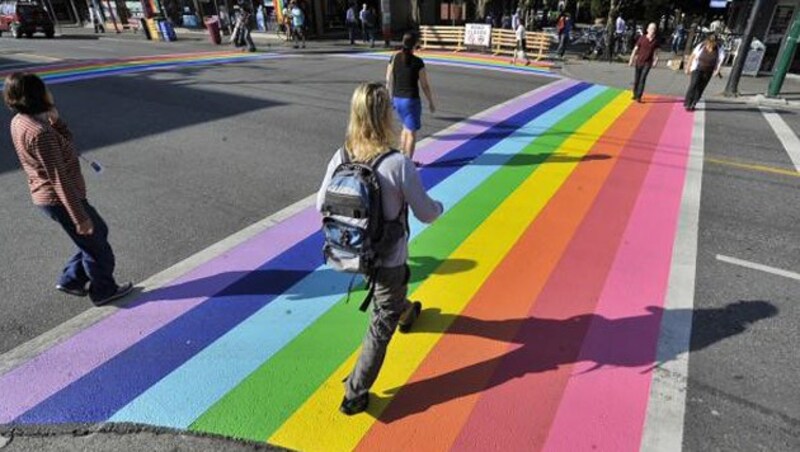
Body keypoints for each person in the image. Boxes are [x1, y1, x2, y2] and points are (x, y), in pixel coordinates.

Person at [317, 82, 444, 416]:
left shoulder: (341, 156)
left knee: (394, 294)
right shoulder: (397, 163)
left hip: (351, 252)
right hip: (387, 257)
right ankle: (354, 394)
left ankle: (407, 311)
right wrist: (440, 207)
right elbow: (426, 214)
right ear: (385, 115)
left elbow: (321, 204)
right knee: (381, 321)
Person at [4, 73, 132, 306]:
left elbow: (66, 144)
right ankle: (104, 290)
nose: (49, 92)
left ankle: (71, 279)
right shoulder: (39, 133)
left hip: (48, 197)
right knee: (97, 246)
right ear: (36, 95)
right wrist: (80, 217)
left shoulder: (21, 121)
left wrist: (56, 121)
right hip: (60, 198)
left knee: (95, 236)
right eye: (44, 88)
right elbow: (58, 178)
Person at [386, 32, 436, 164]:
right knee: (412, 133)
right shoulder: (418, 62)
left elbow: (388, 78)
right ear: (415, 44)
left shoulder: (394, 57)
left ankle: (403, 157)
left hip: (397, 99)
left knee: (405, 128)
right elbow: (424, 85)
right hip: (411, 101)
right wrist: (430, 102)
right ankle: (407, 163)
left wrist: (389, 95)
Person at [683, 35, 724, 111]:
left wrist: (717, 70)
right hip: (697, 68)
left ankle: (694, 103)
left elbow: (720, 61)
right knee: (693, 84)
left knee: (700, 87)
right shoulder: (701, 45)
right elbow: (692, 56)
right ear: (707, 41)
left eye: (713, 42)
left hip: (709, 70)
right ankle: (688, 103)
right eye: (710, 42)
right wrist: (687, 67)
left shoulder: (719, 49)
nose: (711, 44)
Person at [628, 23, 659, 103]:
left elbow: (656, 52)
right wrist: (631, 59)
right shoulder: (642, 38)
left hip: (648, 63)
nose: (652, 30)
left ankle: (639, 97)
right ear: (647, 30)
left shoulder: (655, 41)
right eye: (651, 29)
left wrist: (656, 60)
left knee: (643, 79)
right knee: (637, 80)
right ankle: (635, 94)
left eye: (654, 29)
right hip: (639, 61)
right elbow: (635, 49)